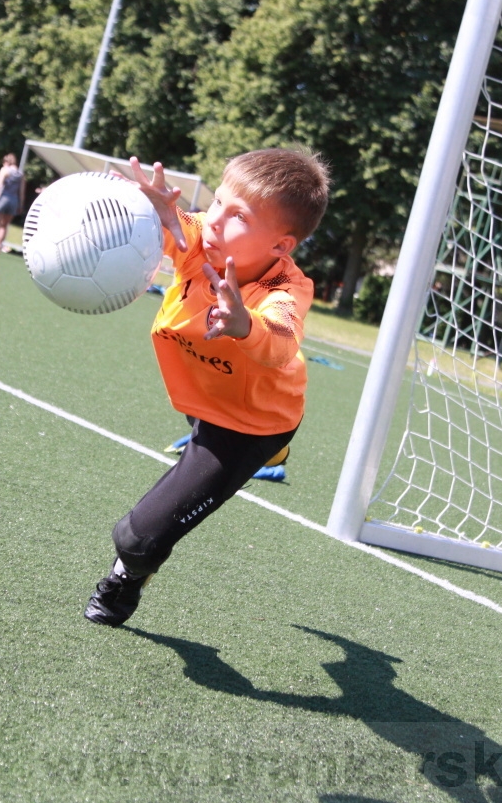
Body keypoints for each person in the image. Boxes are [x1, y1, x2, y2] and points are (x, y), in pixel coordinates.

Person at [84, 148, 330, 627]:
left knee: (138, 538)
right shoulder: (201, 239)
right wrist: (151, 207)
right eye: (217, 202)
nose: (214, 221)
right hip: (204, 395)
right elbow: (175, 224)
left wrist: (244, 325)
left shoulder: (287, 288)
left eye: (237, 215)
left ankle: (125, 577)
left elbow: (280, 340)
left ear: (281, 247)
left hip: (250, 426)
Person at [0, 153, 25, 254]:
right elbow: (21, 192)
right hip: (14, 201)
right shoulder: (21, 174)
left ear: (7, 162)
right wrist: (20, 205)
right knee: (4, 226)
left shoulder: (5, 170)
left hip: (3, 198)